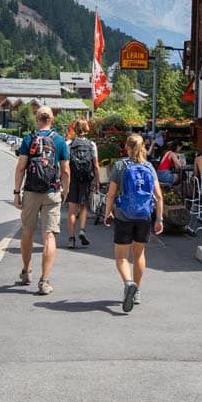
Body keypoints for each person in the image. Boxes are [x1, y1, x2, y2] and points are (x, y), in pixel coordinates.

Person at [104, 133, 164, 313]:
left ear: (127, 147)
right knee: (139, 254)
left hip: (123, 216)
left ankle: (128, 283)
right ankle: (136, 291)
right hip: (144, 217)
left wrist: (108, 212)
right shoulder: (149, 167)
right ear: (143, 147)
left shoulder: (120, 166)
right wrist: (159, 219)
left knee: (122, 256)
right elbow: (159, 196)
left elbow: (111, 194)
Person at [13, 107, 70, 295]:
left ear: (37, 119)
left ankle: (26, 271)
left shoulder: (29, 139)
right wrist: (65, 190)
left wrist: (16, 192)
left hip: (30, 190)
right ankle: (44, 281)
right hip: (52, 191)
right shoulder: (60, 140)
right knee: (49, 235)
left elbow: (21, 168)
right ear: (52, 119)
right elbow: (66, 171)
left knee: (28, 231)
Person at [65, 119, 99, 249]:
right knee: (84, 206)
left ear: (75, 129)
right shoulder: (92, 145)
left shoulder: (69, 144)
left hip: (73, 179)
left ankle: (71, 238)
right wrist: (97, 181)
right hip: (86, 179)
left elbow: (66, 165)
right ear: (86, 129)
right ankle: (82, 230)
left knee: (71, 210)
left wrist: (64, 182)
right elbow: (95, 165)